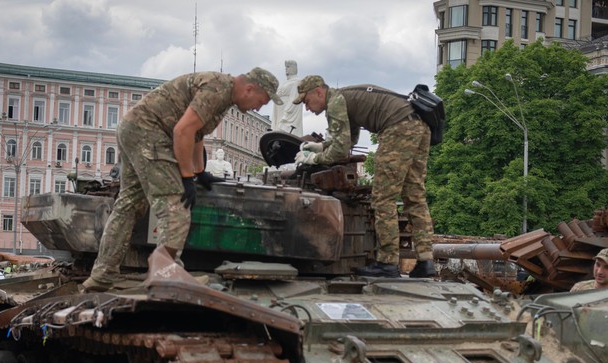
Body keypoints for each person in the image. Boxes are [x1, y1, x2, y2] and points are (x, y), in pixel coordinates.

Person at [82, 68, 283, 292]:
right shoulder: (219, 89)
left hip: (134, 129)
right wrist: (187, 178)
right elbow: (182, 131)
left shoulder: (225, 94)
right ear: (250, 89)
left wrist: (199, 171)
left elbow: (196, 133)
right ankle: (168, 276)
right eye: (262, 101)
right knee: (175, 207)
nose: (259, 107)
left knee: (128, 205)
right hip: (151, 134)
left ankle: (101, 276)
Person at [292, 75, 436, 278]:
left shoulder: (335, 103)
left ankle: (387, 263)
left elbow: (341, 151)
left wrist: (313, 158)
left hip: (397, 127)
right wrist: (322, 146)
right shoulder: (345, 97)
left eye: (306, 101)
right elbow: (349, 139)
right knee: (415, 196)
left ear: (318, 91)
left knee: (383, 197)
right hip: (419, 125)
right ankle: (425, 261)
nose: (307, 108)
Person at [271, 60, 304, 135]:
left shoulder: (297, 82)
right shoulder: (286, 83)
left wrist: (285, 118)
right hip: (279, 112)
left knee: (283, 133)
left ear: (293, 68)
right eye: (285, 67)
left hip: (286, 116)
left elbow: (294, 102)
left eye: (288, 67)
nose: (286, 69)